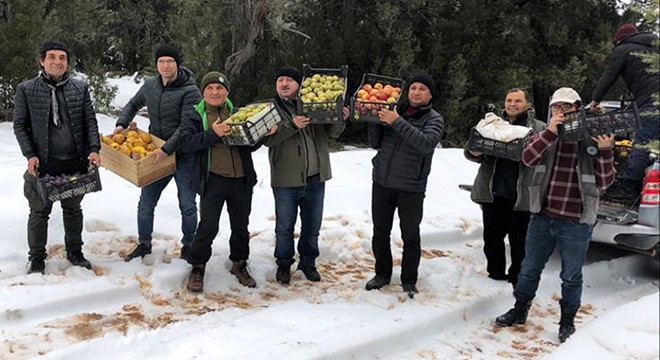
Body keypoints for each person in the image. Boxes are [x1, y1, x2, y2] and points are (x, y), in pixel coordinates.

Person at [495, 87, 615, 343]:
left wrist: (605, 151)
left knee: (571, 276)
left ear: (577, 110)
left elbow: (604, 181)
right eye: (556, 108)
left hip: (575, 222)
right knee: (529, 270)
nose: (561, 112)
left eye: (566, 108)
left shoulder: (591, 139)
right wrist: (550, 131)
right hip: (543, 216)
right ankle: (519, 310)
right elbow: (527, 158)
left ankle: (567, 322)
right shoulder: (544, 135)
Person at [178, 71, 276, 292]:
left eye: (220, 88)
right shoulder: (194, 115)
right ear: (203, 92)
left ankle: (239, 264)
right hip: (213, 179)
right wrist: (213, 133)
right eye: (210, 88)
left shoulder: (238, 112)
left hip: (241, 180)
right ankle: (198, 266)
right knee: (208, 226)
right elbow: (186, 143)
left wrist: (263, 134)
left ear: (226, 92)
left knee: (241, 226)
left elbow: (249, 145)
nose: (215, 92)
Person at [13, 40, 101, 274]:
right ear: (42, 61)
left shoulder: (79, 88)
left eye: (62, 57)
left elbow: (89, 120)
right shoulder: (26, 89)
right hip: (43, 163)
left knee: (73, 210)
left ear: (67, 63)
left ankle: (75, 252)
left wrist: (94, 148)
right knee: (39, 212)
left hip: (74, 162)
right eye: (52, 57)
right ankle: (36, 258)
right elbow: (20, 125)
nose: (57, 61)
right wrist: (30, 154)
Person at [114, 45, 202, 261]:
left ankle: (189, 245)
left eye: (170, 61)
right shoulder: (151, 85)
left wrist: (167, 149)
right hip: (154, 154)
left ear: (177, 63)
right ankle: (144, 244)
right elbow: (134, 103)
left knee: (187, 205)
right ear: (156, 64)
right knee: (146, 203)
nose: (165, 66)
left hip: (183, 155)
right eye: (161, 61)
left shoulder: (191, 91)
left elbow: (186, 126)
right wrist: (121, 123)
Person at [264, 66, 349, 285]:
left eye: (289, 80)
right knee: (284, 227)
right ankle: (283, 264)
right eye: (280, 80)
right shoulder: (270, 109)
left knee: (312, 225)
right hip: (286, 178)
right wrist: (291, 125)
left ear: (299, 85)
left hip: (315, 177)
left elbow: (332, 133)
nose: (284, 84)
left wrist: (340, 117)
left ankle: (308, 263)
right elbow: (267, 140)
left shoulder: (315, 104)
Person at [364, 73, 445, 298]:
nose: (416, 92)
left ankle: (409, 279)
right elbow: (375, 143)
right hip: (382, 182)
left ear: (430, 94)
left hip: (411, 186)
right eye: (413, 88)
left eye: (421, 89)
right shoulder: (393, 110)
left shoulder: (434, 119)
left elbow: (426, 144)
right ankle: (382, 274)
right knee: (380, 232)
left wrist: (395, 121)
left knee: (410, 234)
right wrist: (374, 121)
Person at [465, 88, 545, 286]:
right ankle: (495, 274)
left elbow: (545, 160)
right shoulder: (491, 124)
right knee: (492, 239)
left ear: (527, 105)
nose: (512, 104)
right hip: (493, 192)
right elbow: (471, 150)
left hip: (521, 196)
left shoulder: (539, 128)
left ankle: (517, 278)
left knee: (520, 242)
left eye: (518, 101)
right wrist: (474, 152)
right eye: (509, 100)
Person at [589, 24, 660, 199]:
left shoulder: (624, 48)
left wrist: (595, 100)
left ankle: (627, 187)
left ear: (619, 39)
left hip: (652, 102)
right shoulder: (654, 49)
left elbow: (609, 76)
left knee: (642, 144)